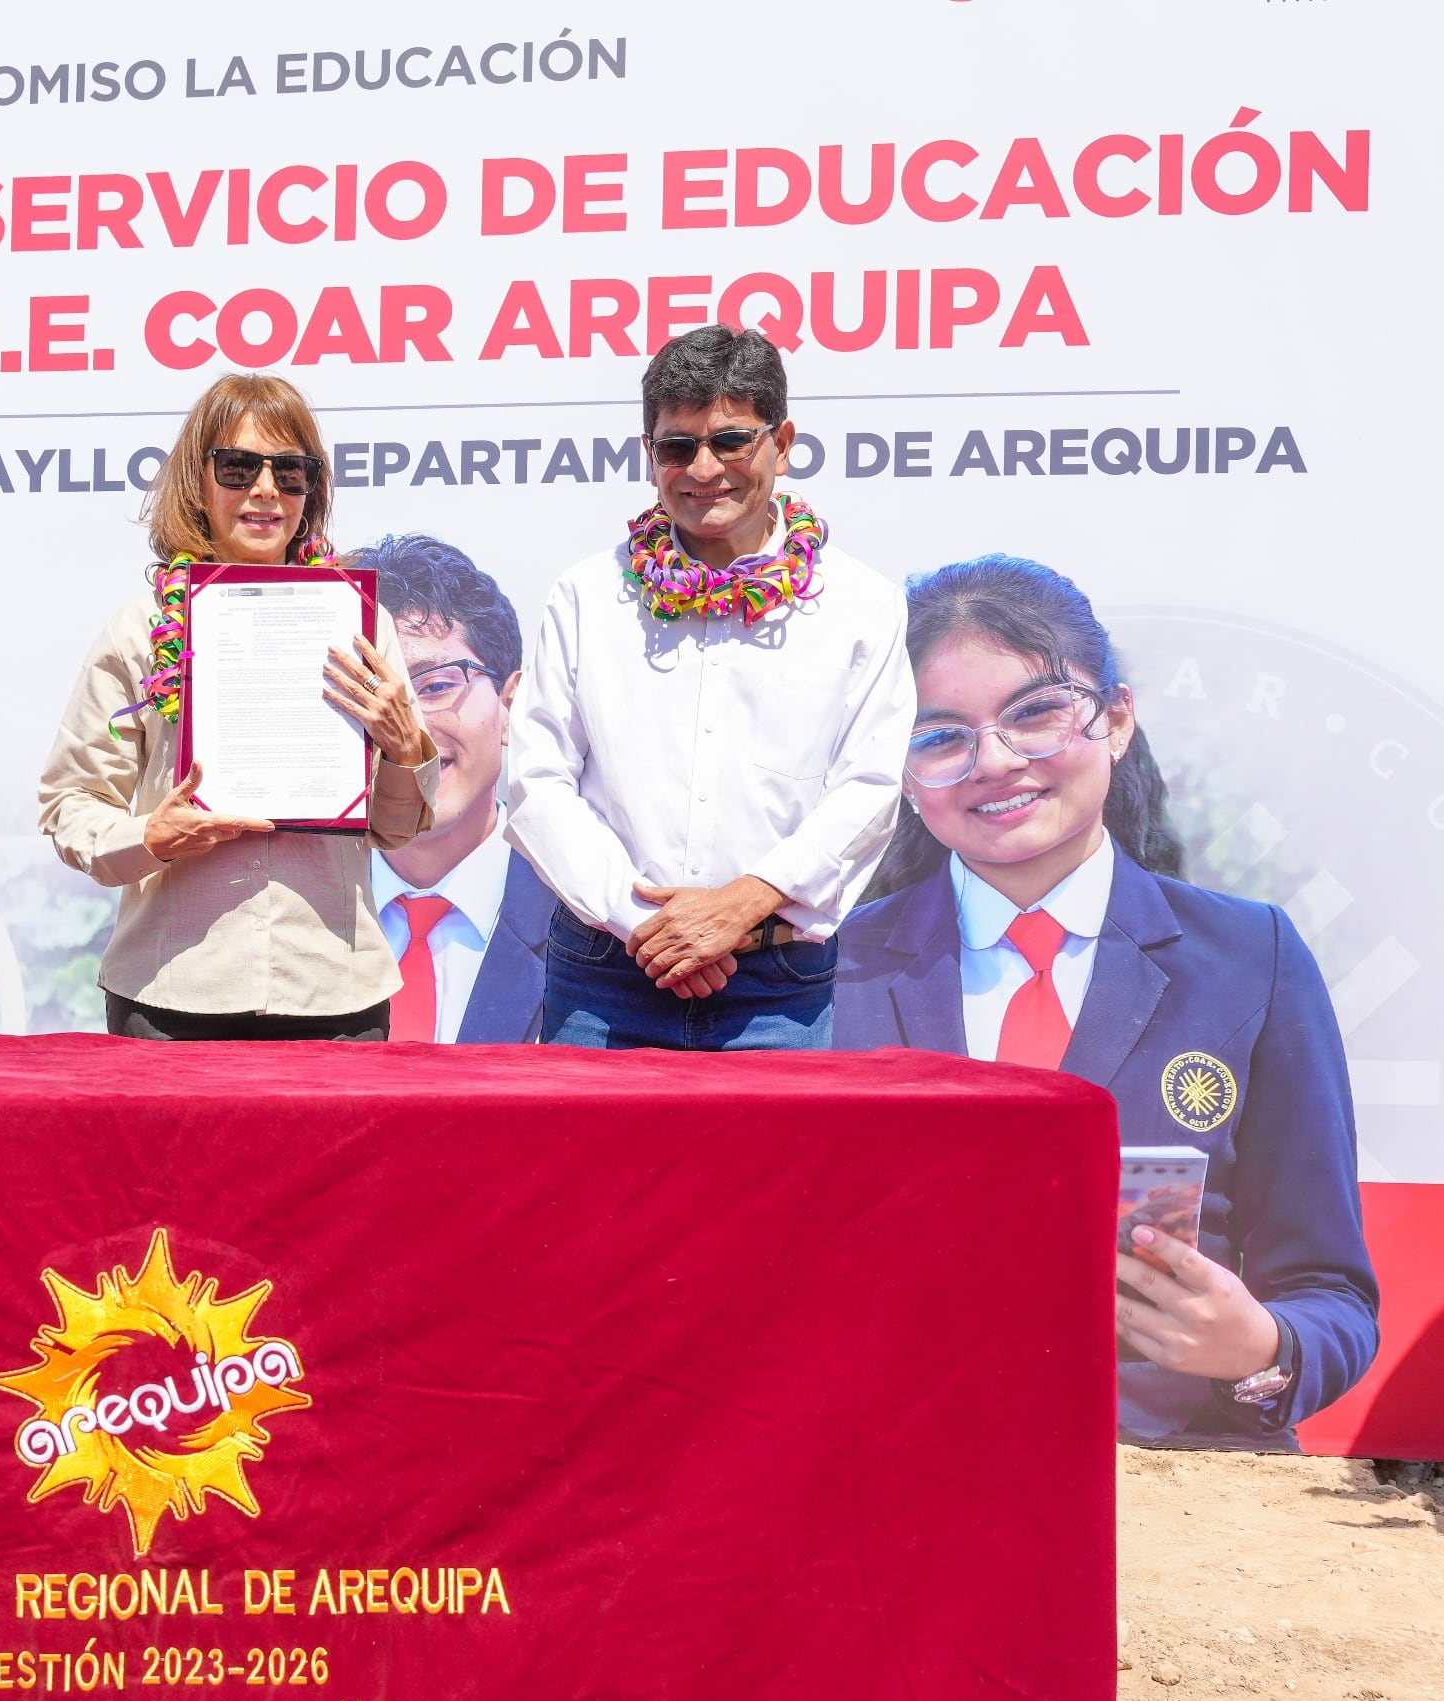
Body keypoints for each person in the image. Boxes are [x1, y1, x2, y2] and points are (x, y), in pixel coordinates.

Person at [835, 555, 1377, 1448]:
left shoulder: (1253, 959)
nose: (994, 762)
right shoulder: (831, 971)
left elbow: (1333, 1298)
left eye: (1035, 713)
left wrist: (1257, 1349)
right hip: (898, 1469)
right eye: (940, 736)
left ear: (1117, 720)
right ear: (898, 769)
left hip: (1175, 1481)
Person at [507, 325, 915, 1050]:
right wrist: (651, 927)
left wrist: (743, 905)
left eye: (731, 441)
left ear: (781, 444)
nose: (704, 469)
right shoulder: (587, 596)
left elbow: (870, 788)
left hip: (775, 986)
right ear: (649, 455)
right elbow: (538, 781)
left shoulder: (860, 604)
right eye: (677, 446)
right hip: (605, 977)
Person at [38, 374, 438, 1041]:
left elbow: (396, 831)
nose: (265, 489)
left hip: (334, 995)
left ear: (312, 490)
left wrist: (402, 750)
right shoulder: (140, 632)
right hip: (173, 993)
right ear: (198, 481)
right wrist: (150, 838)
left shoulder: (363, 629)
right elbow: (70, 805)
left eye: (290, 471)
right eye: (238, 467)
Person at [362, 535, 557, 1043]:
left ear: (510, 706)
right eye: (372, 694)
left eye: (435, 686)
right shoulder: (292, 924)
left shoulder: (587, 925)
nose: (406, 729)